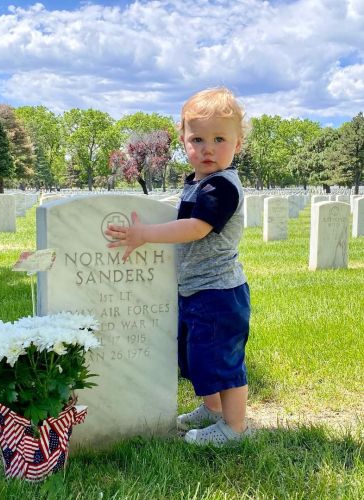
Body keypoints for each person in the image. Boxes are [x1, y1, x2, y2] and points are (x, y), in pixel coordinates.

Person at [105, 87, 252, 445]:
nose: (207, 148)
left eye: (220, 139)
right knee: (197, 356)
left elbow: (196, 227)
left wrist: (145, 234)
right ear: (183, 141)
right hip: (196, 289)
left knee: (222, 360)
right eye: (197, 139)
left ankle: (234, 428)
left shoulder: (222, 187)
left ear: (238, 143)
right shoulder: (199, 182)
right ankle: (212, 409)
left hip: (219, 292)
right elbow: (183, 210)